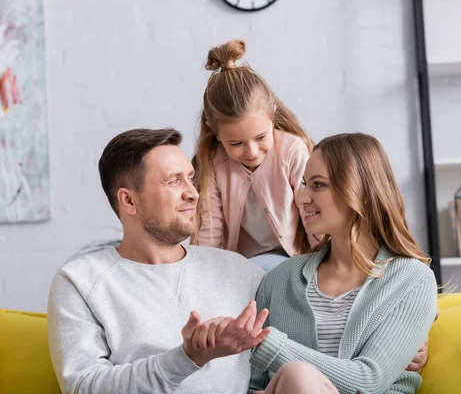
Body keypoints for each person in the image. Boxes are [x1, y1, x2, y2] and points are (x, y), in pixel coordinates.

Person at [47, 128, 333, 394]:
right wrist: (188, 357)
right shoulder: (80, 281)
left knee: (299, 376)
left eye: (191, 178)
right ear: (129, 201)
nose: (193, 193)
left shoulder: (240, 271)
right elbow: (84, 386)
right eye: (174, 181)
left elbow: (297, 355)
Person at [240, 133, 439, 393]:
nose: (302, 198)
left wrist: (266, 343)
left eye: (318, 185)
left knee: (298, 374)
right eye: (304, 184)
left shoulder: (412, 280)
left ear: (362, 191)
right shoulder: (280, 279)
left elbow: (368, 381)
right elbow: (252, 384)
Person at [190, 39, 317, 272]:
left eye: (261, 137)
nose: (251, 151)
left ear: (273, 115)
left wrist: (322, 264)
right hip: (241, 266)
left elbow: (313, 211)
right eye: (236, 143)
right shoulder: (213, 163)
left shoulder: (291, 150)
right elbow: (210, 229)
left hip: (296, 260)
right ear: (213, 130)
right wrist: (206, 275)